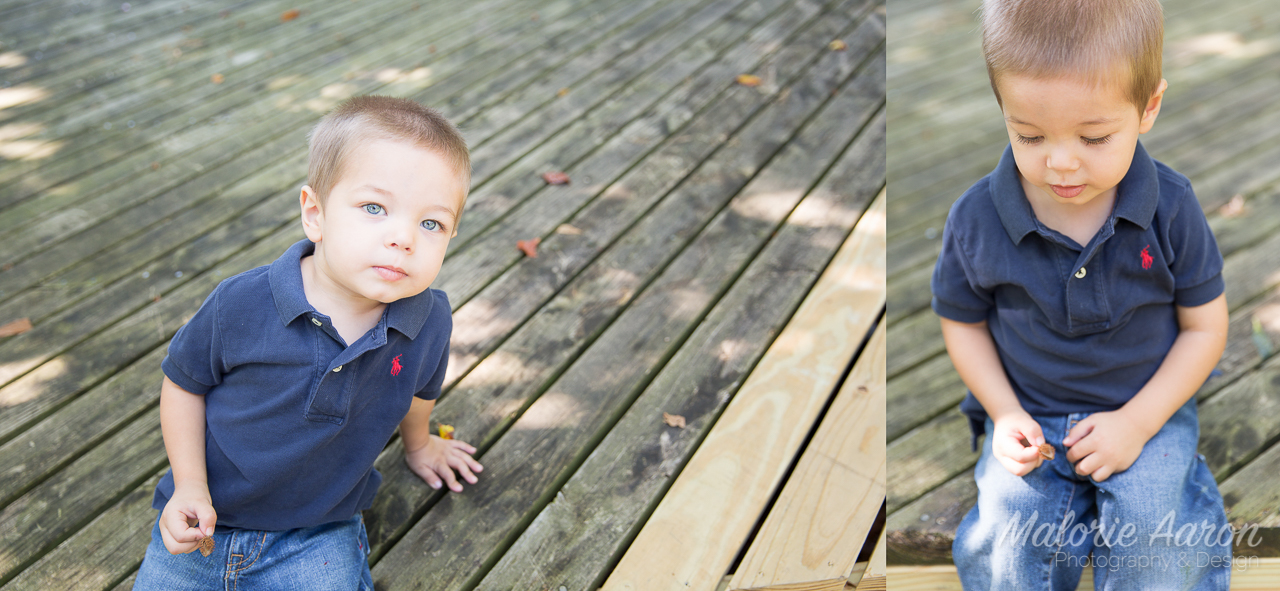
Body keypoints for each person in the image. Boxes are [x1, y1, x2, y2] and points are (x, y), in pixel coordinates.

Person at [930, 0, 1232, 588]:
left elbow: (1205, 327)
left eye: (1094, 137)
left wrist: (1139, 423)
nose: (1061, 163)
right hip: (1029, 410)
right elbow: (962, 321)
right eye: (1030, 134)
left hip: (1145, 406)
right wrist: (1004, 411)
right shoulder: (976, 218)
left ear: (1149, 108)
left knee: (1156, 540)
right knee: (1008, 543)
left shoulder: (1170, 208)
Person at [133, 95, 483, 590]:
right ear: (315, 214)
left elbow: (420, 392)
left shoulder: (429, 319)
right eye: (374, 207)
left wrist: (420, 446)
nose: (403, 237)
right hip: (209, 512)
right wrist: (189, 483)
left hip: (321, 529)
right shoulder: (241, 304)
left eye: (432, 223)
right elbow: (184, 384)